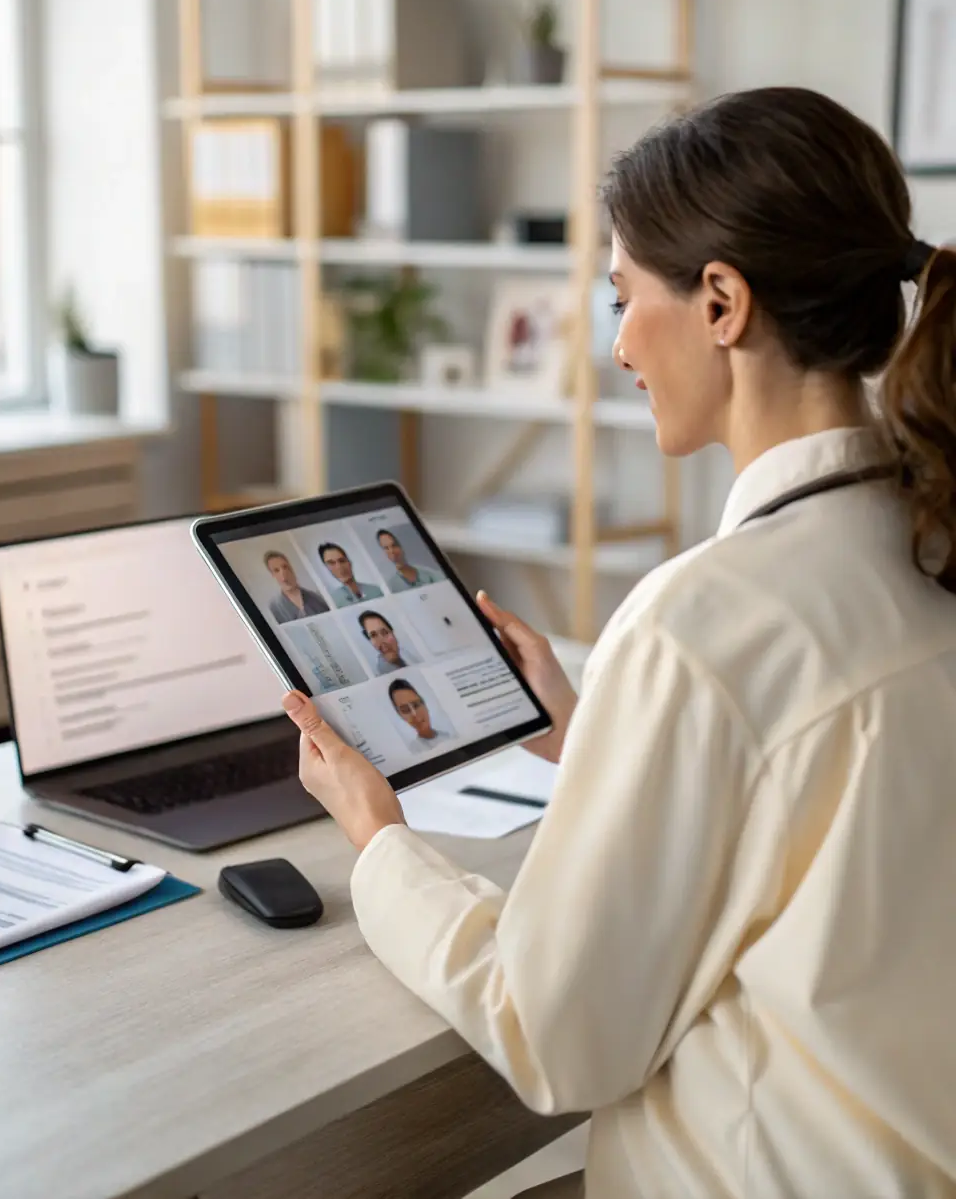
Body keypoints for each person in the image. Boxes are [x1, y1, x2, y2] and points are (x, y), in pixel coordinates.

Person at [280, 88, 956, 1199]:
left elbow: (554, 1034)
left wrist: (379, 844)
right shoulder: (927, 541)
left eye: (623, 298)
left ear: (722, 302)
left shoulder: (702, 623)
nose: (619, 344)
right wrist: (597, 737)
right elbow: (827, 840)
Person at [263, 550, 329, 624]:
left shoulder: (316, 598)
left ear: (291, 568)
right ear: (273, 575)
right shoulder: (274, 607)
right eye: (276, 570)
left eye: (285, 567)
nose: (283, 574)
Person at [386, 679, 452, 752]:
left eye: (416, 705)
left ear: (424, 704)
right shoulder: (414, 750)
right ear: (400, 715)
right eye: (405, 710)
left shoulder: (449, 736)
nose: (414, 714)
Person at [376, 529, 444, 592]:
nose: (392, 551)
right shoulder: (391, 586)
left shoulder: (432, 574)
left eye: (394, 545)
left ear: (401, 546)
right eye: (386, 548)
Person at [318, 541, 381, 608]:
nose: (339, 567)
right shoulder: (332, 602)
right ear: (326, 568)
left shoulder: (376, 591)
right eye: (331, 563)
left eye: (342, 560)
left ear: (349, 562)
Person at [358, 610, 421, 676]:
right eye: (373, 635)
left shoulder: (408, 654)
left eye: (384, 632)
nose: (381, 640)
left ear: (392, 632)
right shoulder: (382, 671)